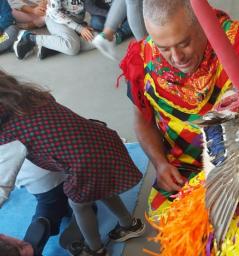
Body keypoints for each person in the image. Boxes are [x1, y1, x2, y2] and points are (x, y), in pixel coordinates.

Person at [120, 0, 239, 220]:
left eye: (184, 43)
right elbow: (142, 121)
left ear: (203, 23)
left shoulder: (236, 44)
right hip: (183, 170)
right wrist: (160, 164)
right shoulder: (141, 58)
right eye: (163, 48)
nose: (176, 57)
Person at [0, 70, 146, 256]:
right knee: (101, 187)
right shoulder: (28, 96)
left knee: (79, 204)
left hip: (84, 163)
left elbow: (3, 185)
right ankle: (129, 224)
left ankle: (95, 249)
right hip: (101, 139)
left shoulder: (9, 136)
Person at [12, 0, 96, 60]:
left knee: (96, 39)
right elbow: (55, 13)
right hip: (55, 19)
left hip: (75, 21)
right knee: (72, 48)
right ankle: (30, 38)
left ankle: (52, 45)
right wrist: (79, 28)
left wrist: (79, 26)